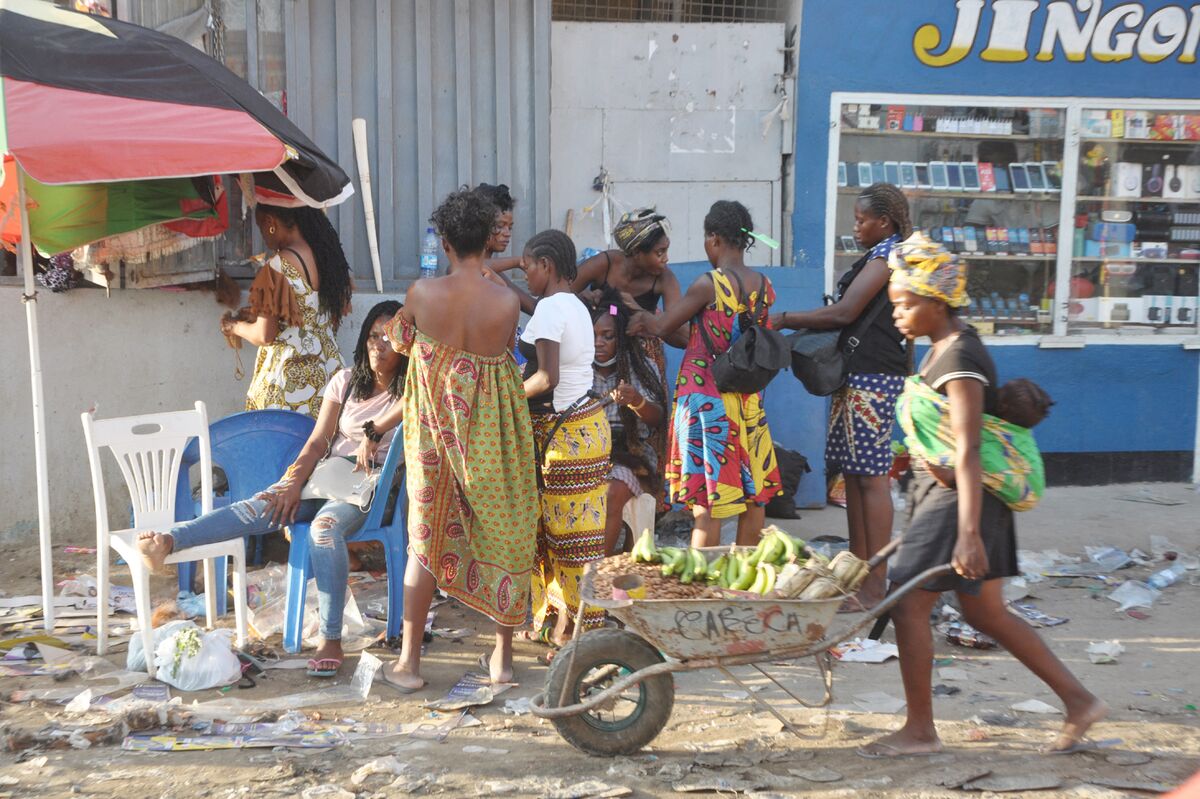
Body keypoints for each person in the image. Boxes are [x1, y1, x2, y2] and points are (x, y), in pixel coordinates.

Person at [857, 232, 1105, 758]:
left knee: (907, 608)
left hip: (961, 504)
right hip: (948, 495)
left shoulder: (962, 357)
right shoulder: (942, 349)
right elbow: (944, 438)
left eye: (904, 305)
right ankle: (1080, 702)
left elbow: (967, 451)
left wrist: (969, 535)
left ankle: (920, 730)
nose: (898, 315)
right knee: (986, 614)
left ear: (936, 300)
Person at [139, 301, 408, 678]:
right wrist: (291, 485)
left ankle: (330, 639)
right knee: (259, 506)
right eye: (373, 336)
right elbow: (317, 444)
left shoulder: (411, 391)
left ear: (406, 345)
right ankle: (169, 541)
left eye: (389, 338)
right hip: (326, 477)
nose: (379, 345)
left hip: (370, 489)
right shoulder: (345, 382)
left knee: (324, 531)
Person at [377, 190, 539, 690]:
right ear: (488, 244)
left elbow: (400, 343)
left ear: (444, 242)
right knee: (504, 535)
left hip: (432, 440)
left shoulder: (421, 295)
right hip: (493, 436)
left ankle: (409, 663)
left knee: (423, 543)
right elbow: (503, 354)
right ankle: (502, 660)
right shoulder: (508, 301)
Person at [770, 183, 911, 607]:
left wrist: (786, 318)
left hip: (874, 377)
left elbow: (846, 312)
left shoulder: (889, 255)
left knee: (871, 480)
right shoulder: (878, 254)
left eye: (863, 219)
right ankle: (857, 573)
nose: (857, 225)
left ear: (884, 221)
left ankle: (874, 584)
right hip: (857, 375)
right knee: (852, 477)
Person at [629, 200, 781, 548]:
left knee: (707, 504)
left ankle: (702, 587)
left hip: (706, 402)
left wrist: (634, 310)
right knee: (753, 495)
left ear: (713, 238)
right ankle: (743, 584)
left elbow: (664, 325)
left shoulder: (708, 284)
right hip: (747, 402)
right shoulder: (764, 285)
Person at [519, 229, 611, 650]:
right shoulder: (573, 305)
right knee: (577, 537)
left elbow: (546, 378)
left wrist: (505, 399)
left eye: (528, 269)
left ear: (547, 266)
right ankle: (567, 624)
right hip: (589, 426)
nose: (525, 278)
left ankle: (583, 635)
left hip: (563, 439)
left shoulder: (548, 311)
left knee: (564, 541)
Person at [223, 202, 352, 417]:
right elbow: (313, 312)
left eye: (261, 227)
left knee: (283, 445)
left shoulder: (277, 267)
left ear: (271, 223)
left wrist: (233, 326)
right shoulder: (329, 258)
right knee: (322, 447)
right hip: (330, 374)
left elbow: (264, 335)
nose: (263, 236)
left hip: (289, 381)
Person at [590, 287, 667, 555]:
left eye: (607, 336)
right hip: (586, 453)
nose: (598, 343)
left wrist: (636, 401)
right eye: (593, 337)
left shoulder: (639, 368)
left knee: (613, 491)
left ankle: (599, 569)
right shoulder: (577, 370)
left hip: (629, 456)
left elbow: (657, 418)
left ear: (621, 339)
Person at [474, 182, 523, 273]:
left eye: (510, 227)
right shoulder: (459, 269)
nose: (507, 233)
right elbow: (472, 268)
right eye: (500, 226)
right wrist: (517, 261)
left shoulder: (495, 272)